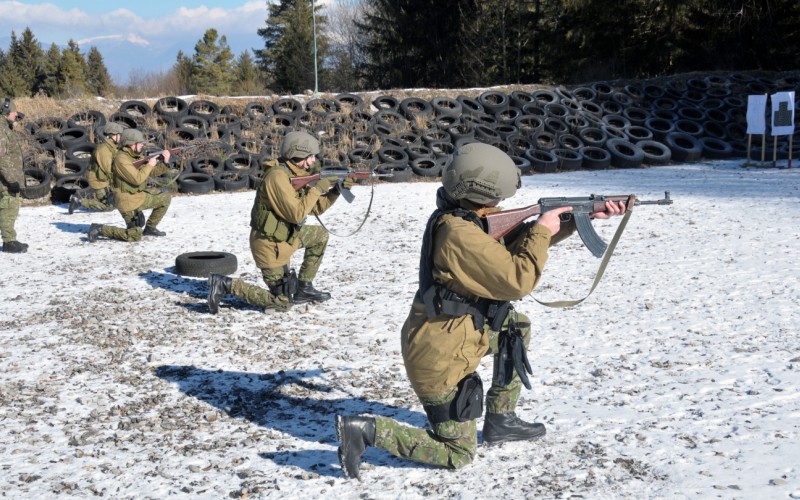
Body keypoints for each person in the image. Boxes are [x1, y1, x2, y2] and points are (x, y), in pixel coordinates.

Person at [334, 143, 626, 479]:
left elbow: (510, 248)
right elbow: (517, 278)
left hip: (456, 333)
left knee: (515, 327)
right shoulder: (458, 232)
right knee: (458, 452)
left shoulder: (466, 218)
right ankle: (366, 431)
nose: (502, 202)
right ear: (482, 189)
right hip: (438, 359)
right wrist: (543, 228)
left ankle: (501, 419)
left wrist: (576, 219)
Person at [207, 130, 353, 313]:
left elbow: (317, 208)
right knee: (282, 303)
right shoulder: (277, 177)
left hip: (286, 237)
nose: (314, 161)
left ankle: (304, 289)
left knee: (319, 235)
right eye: (311, 156)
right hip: (269, 246)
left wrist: (335, 191)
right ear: (297, 153)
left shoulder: (297, 173)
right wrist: (318, 188)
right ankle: (225, 284)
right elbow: (296, 215)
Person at [87, 128, 172, 242]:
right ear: (131, 144)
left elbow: (151, 172)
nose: (142, 145)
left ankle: (150, 228)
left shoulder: (135, 156)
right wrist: (150, 164)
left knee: (165, 198)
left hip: (138, 196)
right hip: (126, 201)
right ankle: (100, 229)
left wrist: (165, 162)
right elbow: (137, 179)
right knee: (134, 236)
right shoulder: (121, 159)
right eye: (140, 143)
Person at [69, 122, 126, 214]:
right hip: (98, 180)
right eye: (118, 135)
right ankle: (79, 201)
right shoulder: (103, 149)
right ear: (112, 135)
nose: (120, 137)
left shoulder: (111, 147)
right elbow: (108, 169)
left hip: (104, 178)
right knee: (109, 206)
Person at [0, 97, 28, 254]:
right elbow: (1, 157)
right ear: (5, 112)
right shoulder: (1, 129)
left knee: (7, 208)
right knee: (9, 208)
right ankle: (9, 242)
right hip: (5, 180)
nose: (16, 114)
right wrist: (11, 180)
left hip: (6, 177)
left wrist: (15, 117)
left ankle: (9, 239)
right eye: (13, 111)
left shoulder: (5, 126)